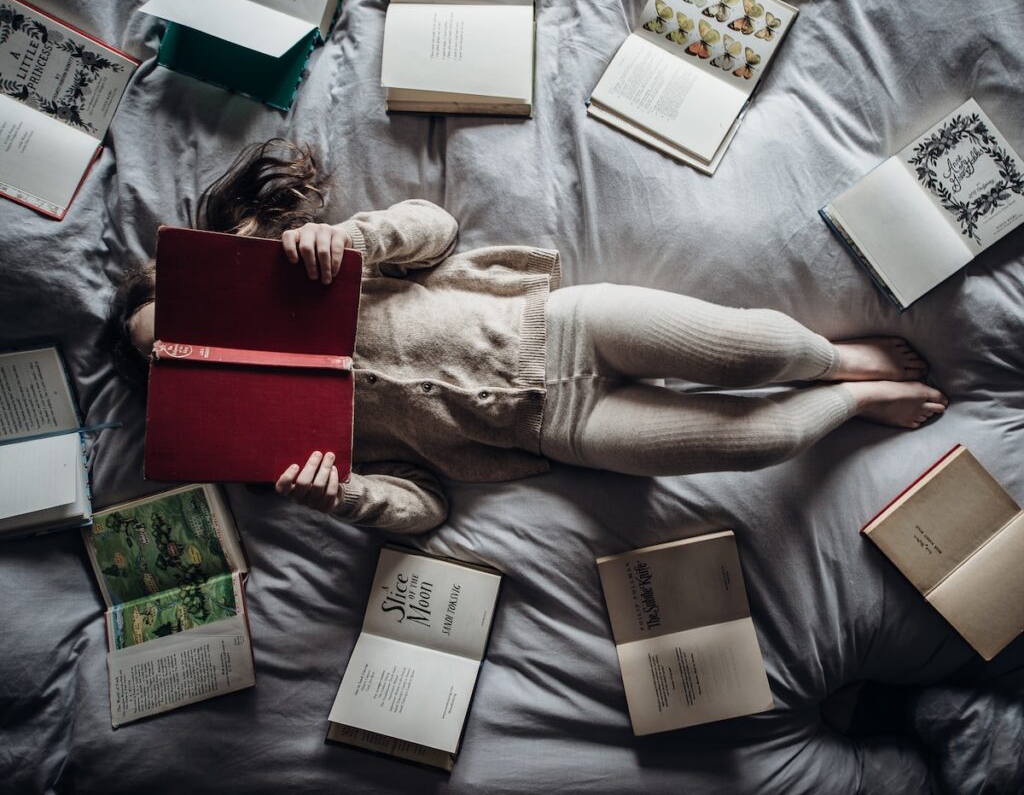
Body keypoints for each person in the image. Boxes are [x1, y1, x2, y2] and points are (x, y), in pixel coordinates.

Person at [108, 139, 948, 534]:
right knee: (752, 444)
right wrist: (346, 497)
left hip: (560, 328)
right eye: (165, 356)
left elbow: (434, 227)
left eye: (185, 319)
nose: (192, 346)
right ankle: (853, 402)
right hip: (554, 430)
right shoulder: (289, 448)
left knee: (754, 350)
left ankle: (833, 361)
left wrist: (358, 239)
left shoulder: (312, 272)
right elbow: (424, 509)